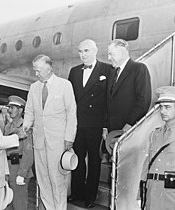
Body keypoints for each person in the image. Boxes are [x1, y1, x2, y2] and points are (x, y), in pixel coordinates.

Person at [23, 54, 77, 210]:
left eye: (38, 70)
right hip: (39, 141)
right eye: (35, 70)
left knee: (57, 179)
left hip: (59, 141)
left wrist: (69, 137)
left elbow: (71, 113)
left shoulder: (65, 85)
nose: (36, 74)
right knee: (43, 179)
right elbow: (30, 110)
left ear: (49, 68)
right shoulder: (34, 88)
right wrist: (26, 125)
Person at [68, 39, 111, 208]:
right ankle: (77, 193)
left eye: (86, 51)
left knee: (94, 161)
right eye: (80, 51)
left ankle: (90, 197)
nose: (83, 55)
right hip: (78, 124)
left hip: (96, 124)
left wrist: (106, 125)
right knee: (77, 160)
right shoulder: (74, 71)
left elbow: (109, 100)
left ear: (95, 50)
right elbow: (70, 100)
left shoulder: (107, 69)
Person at [104, 39, 151, 137]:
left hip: (129, 130)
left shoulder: (139, 69)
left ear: (122, 52)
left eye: (111, 54)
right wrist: (105, 127)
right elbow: (107, 101)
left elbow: (143, 101)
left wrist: (129, 124)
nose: (109, 58)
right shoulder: (112, 72)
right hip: (112, 131)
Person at [139, 86, 175, 210]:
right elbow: (147, 162)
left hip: (171, 195)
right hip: (152, 191)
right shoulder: (155, 134)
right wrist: (141, 189)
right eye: (161, 107)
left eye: (167, 107)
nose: (162, 111)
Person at [4, 95, 34, 210]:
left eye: (12, 107)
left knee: (19, 204)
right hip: (9, 168)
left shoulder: (25, 128)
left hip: (19, 168)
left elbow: (28, 152)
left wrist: (22, 174)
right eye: (9, 107)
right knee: (8, 203)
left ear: (21, 110)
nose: (9, 110)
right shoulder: (8, 127)